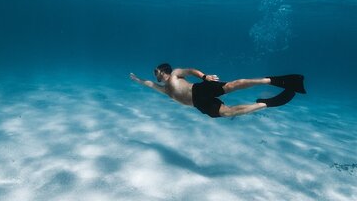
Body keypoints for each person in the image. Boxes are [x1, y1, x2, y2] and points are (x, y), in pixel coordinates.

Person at [130, 63, 306, 118]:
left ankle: (274, 80)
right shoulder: (164, 90)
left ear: (163, 70)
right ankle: (266, 104)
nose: (154, 76)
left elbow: (190, 71)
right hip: (198, 104)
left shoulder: (175, 74)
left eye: (156, 72)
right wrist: (138, 80)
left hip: (199, 89)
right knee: (228, 113)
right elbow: (150, 85)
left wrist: (204, 76)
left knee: (232, 86)